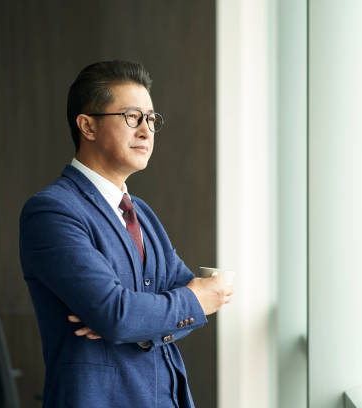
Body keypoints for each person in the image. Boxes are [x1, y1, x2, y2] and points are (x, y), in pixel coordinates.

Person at [19, 60, 232, 407]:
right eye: (132, 117)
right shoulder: (52, 211)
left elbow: (134, 314)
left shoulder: (141, 212)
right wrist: (192, 301)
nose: (146, 131)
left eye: (151, 119)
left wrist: (140, 326)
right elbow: (118, 315)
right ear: (87, 126)